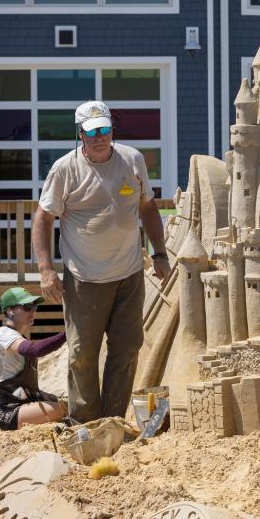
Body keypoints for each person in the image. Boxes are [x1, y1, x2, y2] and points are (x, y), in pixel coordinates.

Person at [32, 100, 171, 423]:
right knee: (82, 355)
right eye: (92, 132)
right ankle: (84, 422)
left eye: (104, 130)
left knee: (126, 350)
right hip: (84, 278)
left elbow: (148, 208)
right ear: (80, 134)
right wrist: (46, 269)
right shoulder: (65, 169)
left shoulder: (132, 160)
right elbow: (43, 218)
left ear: (112, 129)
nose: (99, 137)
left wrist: (160, 253)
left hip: (129, 273)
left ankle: (113, 421)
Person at [0, 287, 67, 430]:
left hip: (14, 403)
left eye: (34, 306)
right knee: (59, 409)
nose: (32, 311)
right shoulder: (3, 333)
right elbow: (35, 350)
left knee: (59, 403)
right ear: (10, 311)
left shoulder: (17, 337)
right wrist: (68, 333)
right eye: (27, 307)